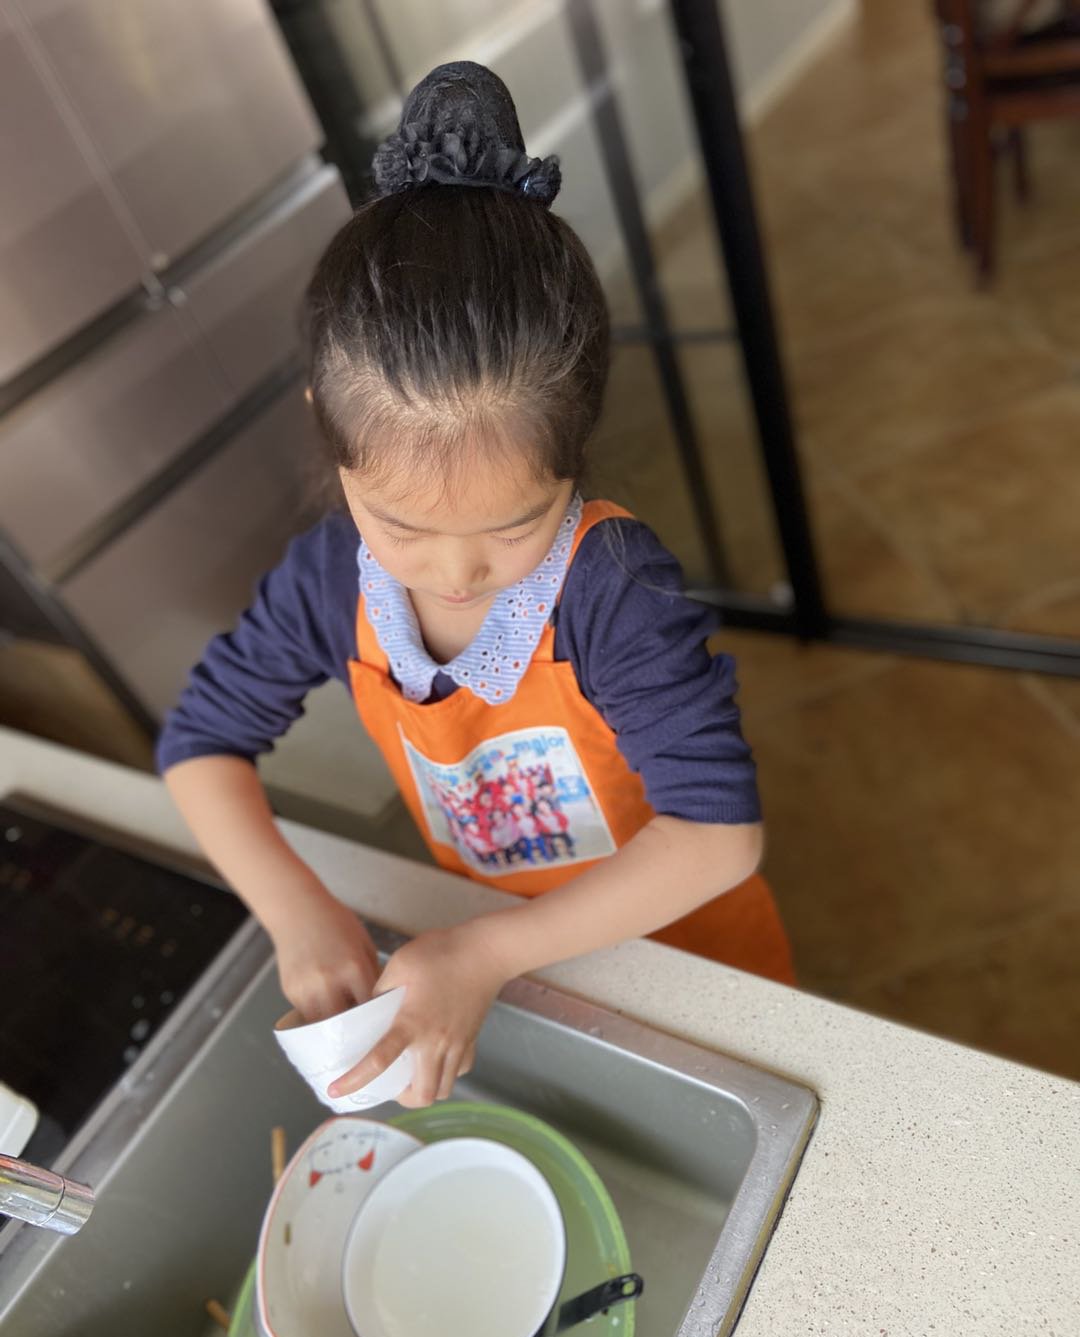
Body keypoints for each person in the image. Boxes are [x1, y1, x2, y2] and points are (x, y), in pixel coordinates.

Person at [156, 61, 794, 1111]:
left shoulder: (612, 591)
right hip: (498, 946)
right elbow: (199, 746)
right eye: (401, 526)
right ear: (328, 429)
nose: (454, 574)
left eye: (513, 528)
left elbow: (717, 834)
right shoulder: (327, 582)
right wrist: (298, 911)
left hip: (683, 953)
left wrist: (489, 952)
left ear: (575, 448)